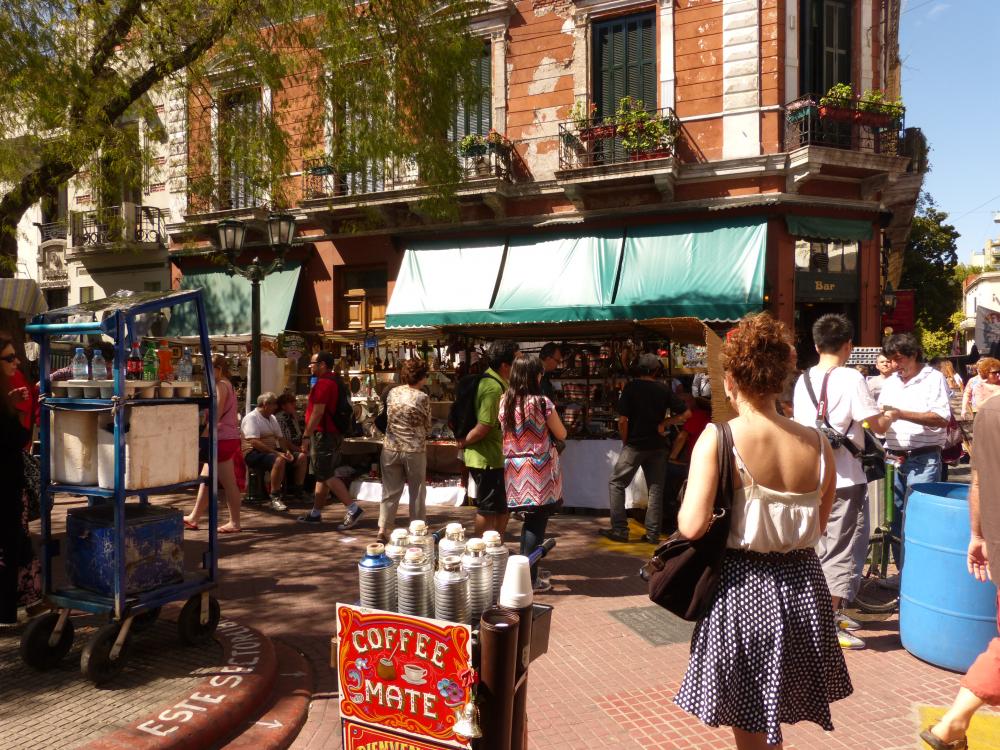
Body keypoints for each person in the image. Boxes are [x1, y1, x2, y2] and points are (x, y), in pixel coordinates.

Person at [674, 313, 848, 749]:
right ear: (780, 378)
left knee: (751, 724)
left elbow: (692, 526)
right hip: (805, 588)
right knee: (770, 714)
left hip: (744, 589)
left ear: (731, 379)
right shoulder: (817, 443)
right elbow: (819, 525)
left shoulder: (719, 438)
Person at [792, 314, 896, 650]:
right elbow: (875, 425)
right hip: (845, 478)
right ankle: (827, 623)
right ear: (848, 345)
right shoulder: (852, 378)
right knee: (842, 547)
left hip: (810, 475)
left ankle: (825, 612)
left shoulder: (803, 379)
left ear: (816, 343)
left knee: (817, 545)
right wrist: (890, 415)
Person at [919, 394, 1000, 750]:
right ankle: (952, 722)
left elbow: (979, 480)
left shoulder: (991, 411)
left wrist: (977, 534)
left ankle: (952, 724)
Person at [878, 333, 951, 570]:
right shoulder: (890, 382)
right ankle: (903, 575)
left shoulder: (934, 378)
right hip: (893, 458)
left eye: (899, 360)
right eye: (891, 360)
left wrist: (900, 413)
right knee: (896, 520)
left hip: (923, 457)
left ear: (914, 354)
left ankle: (922, 573)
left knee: (920, 517)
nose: (895, 366)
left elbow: (941, 418)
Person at [601, 352, 689, 545]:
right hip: (658, 445)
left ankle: (620, 530)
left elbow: (622, 420)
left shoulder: (631, 388)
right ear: (656, 370)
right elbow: (686, 413)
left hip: (635, 444)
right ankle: (652, 534)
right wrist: (664, 423)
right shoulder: (663, 389)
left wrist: (626, 441)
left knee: (616, 483)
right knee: (655, 490)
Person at [499, 356, 566, 592]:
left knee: (530, 522)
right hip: (538, 471)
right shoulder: (542, 402)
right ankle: (529, 578)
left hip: (515, 470)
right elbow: (561, 432)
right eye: (539, 374)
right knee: (536, 524)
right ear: (533, 376)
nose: (541, 377)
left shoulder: (504, 401)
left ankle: (527, 573)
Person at [457, 341, 519, 537]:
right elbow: (484, 426)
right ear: (505, 366)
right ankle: (480, 553)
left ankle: (495, 549)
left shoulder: (500, 383)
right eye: (517, 361)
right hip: (487, 459)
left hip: (495, 457)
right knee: (488, 507)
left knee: (501, 506)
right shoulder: (493, 387)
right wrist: (464, 442)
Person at [0, 336, 40, 627]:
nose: (16, 362)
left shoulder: (9, 392)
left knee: (18, 544)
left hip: (12, 483)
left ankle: (24, 602)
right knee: (9, 546)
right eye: (9, 358)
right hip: (5, 486)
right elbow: (14, 439)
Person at [298, 351, 361, 529]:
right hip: (333, 433)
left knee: (326, 474)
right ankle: (316, 513)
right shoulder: (336, 381)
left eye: (312, 363)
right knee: (322, 473)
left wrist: (306, 436)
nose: (310, 366)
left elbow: (317, 412)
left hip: (324, 434)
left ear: (323, 365)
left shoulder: (324, 383)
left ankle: (353, 508)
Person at [185, 354, 243, 533]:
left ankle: (235, 522)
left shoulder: (220, 385)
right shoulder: (227, 384)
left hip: (222, 439)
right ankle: (194, 517)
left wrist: (203, 436)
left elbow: (216, 415)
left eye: (208, 369)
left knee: (229, 483)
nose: (205, 373)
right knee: (206, 480)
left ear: (217, 369)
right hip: (227, 437)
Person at [377, 357, 432, 543]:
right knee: (416, 491)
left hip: (390, 447)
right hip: (413, 448)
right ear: (422, 377)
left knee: (390, 491)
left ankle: (384, 529)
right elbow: (427, 425)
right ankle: (417, 529)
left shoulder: (393, 392)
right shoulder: (422, 397)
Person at [242, 392, 305, 512]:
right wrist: (277, 453)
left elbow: (280, 438)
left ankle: (298, 491)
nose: (276, 407)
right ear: (265, 404)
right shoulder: (252, 418)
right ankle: (275, 497)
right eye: (274, 404)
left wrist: (287, 451)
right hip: (253, 453)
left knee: (301, 457)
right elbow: (254, 442)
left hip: (270, 451)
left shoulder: (272, 418)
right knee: (279, 460)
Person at [664, 392, 711, 535]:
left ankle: (671, 522)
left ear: (692, 403)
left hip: (695, 461)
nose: (681, 405)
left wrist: (672, 457)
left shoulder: (698, 415)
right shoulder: (706, 415)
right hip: (698, 460)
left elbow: (682, 437)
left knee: (670, 484)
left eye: (685, 402)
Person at [275, 392, 309, 497]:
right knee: (303, 457)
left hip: (295, 447)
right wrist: (299, 449)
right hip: (284, 450)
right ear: (283, 406)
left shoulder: (291, 416)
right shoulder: (280, 418)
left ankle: (301, 488)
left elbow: (299, 433)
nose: (294, 404)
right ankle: (298, 490)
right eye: (291, 402)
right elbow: (284, 440)